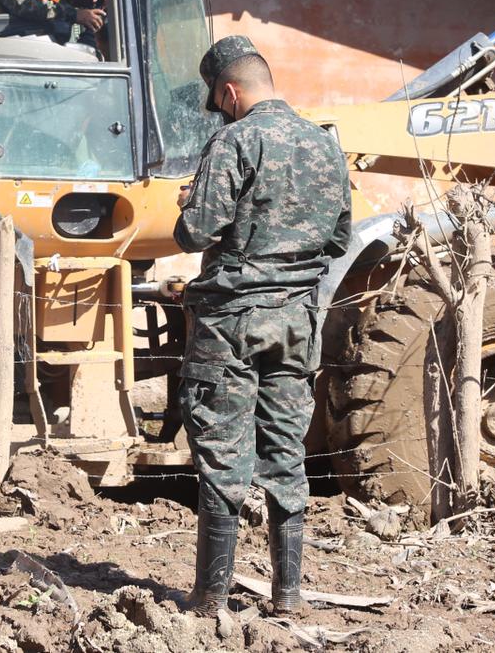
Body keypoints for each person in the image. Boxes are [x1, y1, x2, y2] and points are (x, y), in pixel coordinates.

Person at [173, 36, 352, 616]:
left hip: (232, 322)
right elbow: (339, 239)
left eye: (219, 102)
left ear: (229, 91)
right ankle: (289, 593)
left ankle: (209, 597)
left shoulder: (235, 140)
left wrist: (191, 204)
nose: (220, 111)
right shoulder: (326, 145)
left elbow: (194, 233)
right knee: (285, 452)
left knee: (224, 453)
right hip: (296, 323)